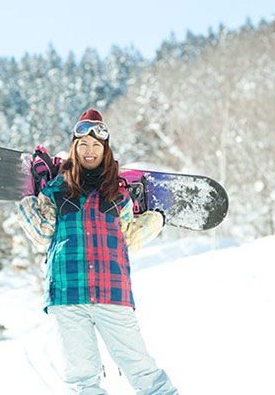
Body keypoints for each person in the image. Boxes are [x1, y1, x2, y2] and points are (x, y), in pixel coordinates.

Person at [17, 109, 178, 395]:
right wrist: (28, 201)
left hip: (111, 291)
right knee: (83, 381)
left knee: (144, 372)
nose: (90, 150)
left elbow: (128, 238)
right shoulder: (56, 190)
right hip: (67, 292)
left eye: (96, 145)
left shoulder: (119, 195)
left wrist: (157, 219)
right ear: (74, 149)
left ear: (105, 150)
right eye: (83, 145)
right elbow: (42, 234)